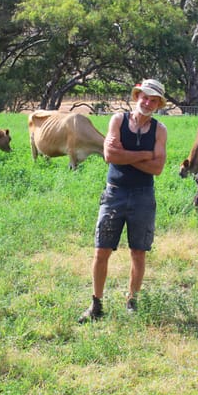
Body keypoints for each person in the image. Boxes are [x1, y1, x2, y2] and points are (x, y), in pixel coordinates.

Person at [78, 79, 168, 323]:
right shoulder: (118, 120)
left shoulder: (160, 130)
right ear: (136, 96)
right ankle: (96, 304)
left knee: (138, 252)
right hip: (114, 194)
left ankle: (132, 301)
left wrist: (125, 156)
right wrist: (145, 155)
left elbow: (158, 167)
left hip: (143, 196)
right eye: (144, 97)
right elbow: (109, 155)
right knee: (101, 250)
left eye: (153, 100)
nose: (147, 103)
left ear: (159, 104)